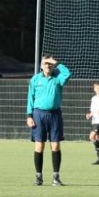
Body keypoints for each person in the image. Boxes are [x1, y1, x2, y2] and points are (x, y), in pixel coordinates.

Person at [26, 55, 71, 186]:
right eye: (45, 63)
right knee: (39, 145)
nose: (48, 66)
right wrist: (29, 115)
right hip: (38, 114)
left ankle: (56, 177)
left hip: (55, 114)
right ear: (41, 65)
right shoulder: (35, 79)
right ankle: (38, 177)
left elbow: (68, 74)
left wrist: (57, 63)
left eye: (50, 64)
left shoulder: (58, 77)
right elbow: (30, 98)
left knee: (55, 145)